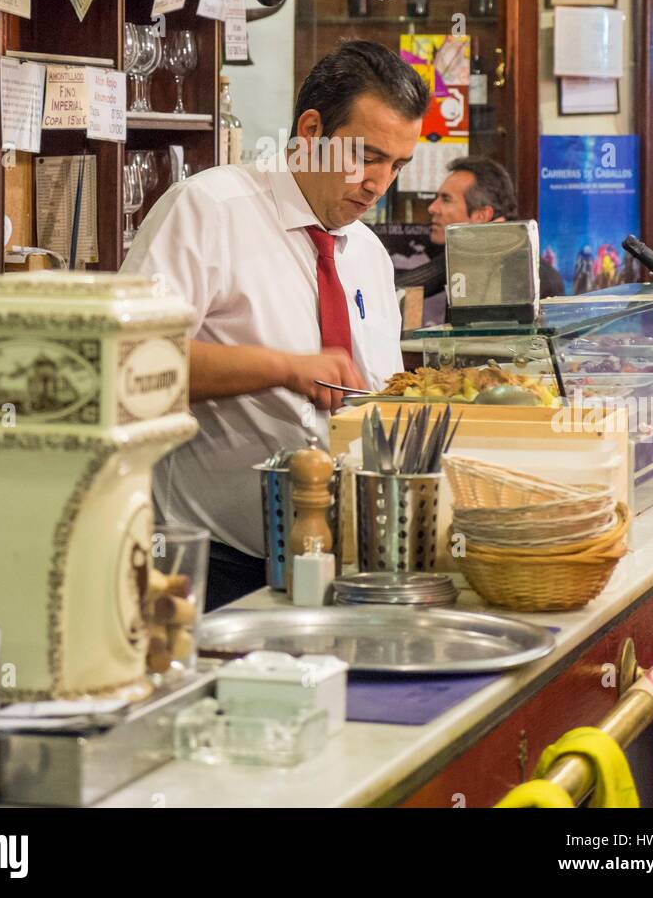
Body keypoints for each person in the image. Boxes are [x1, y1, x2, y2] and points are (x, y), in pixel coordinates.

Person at [122, 41, 428, 607]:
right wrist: (282, 369)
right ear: (311, 131)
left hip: (350, 563)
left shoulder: (367, 253)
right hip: (214, 569)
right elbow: (128, 362)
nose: (379, 183)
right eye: (366, 155)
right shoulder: (209, 209)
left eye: (398, 165)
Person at [396, 156, 565, 326]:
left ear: (481, 215)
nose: (432, 208)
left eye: (446, 199)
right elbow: (397, 287)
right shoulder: (471, 256)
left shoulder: (525, 272)